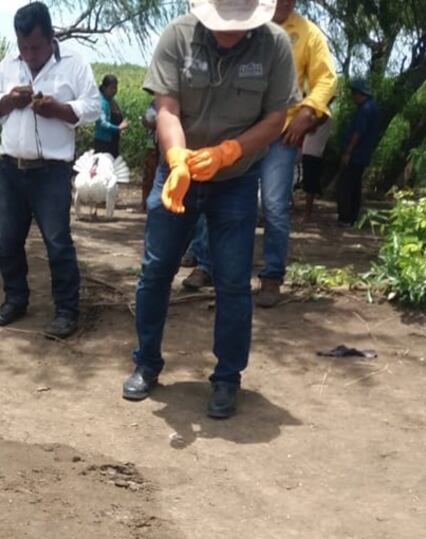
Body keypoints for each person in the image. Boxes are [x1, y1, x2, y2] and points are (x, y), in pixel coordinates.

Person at [124, 0, 299, 418]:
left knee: (234, 283)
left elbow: (277, 118)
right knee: (155, 270)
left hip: (235, 180)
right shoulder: (178, 36)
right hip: (178, 170)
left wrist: (231, 150)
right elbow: (166, 109)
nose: (227, 32)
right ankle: (146, 362)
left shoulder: (274, 45)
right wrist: (179, 159)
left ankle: (226, 378)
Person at [182, 0, 335, 307]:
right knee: (215, 192)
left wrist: (310, 109)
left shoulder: (309, 33)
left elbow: (326, 79)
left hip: (281, 134)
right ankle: (205, 265)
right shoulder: (246, 23)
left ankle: (272, 277)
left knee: (274, 204)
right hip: (237, 129)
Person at [0, 2, 101, 339]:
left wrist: (60, 109)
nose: (29, 54)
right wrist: (9, 100)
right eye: (23, 46)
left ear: (51, 38)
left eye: (35, 46)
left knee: (57, 242)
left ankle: (66, 310)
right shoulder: (9, 63)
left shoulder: (74, 65)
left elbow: (92, 107)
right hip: (11, 169)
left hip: (51, 172)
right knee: (8, 241)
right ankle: (15, 300)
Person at [336, 78, 379, 226]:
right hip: (362, 155)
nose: (353, 97)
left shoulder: (365, 110)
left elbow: (358, 132)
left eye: (354, 94)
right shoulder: (372, 107)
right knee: (354, 185)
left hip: (355, 155)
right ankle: (351, 217)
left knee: (346, 186)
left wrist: (348, 152)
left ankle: (346, 217)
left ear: (360, 94)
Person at [298, 111, 331, 225]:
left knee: (310, 185)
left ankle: (307, 215)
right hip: (311, 151)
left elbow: (310, 127)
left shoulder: (324, 114)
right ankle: (307, 213)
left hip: (313, 152)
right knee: (309, 184)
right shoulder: (321, 114)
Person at [93, 74, 127, 157]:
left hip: (112, 143)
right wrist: (118, 128)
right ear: (104, 88)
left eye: (116, 88)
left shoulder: (112, 101)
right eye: (111, 88)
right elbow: (102, 124)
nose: (114, 90)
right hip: (103, 144)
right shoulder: (102, 103)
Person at [140, 95, 159, 210]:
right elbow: (146, 121)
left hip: (163, 144)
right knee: (149, 172)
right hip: (151, 143)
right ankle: (145, 202)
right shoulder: (153, 104)